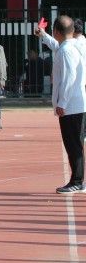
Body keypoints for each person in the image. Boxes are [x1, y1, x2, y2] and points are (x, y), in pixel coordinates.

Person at [51, 15, 86, 193]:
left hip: (71, 105)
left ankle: (77, 181)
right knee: (74, 143)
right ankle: (77, 180)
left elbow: (69, 78)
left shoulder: (66, 50)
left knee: (73, 144)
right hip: (75, 103)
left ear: (56, 31)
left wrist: (62, 102)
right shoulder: (73, 46)